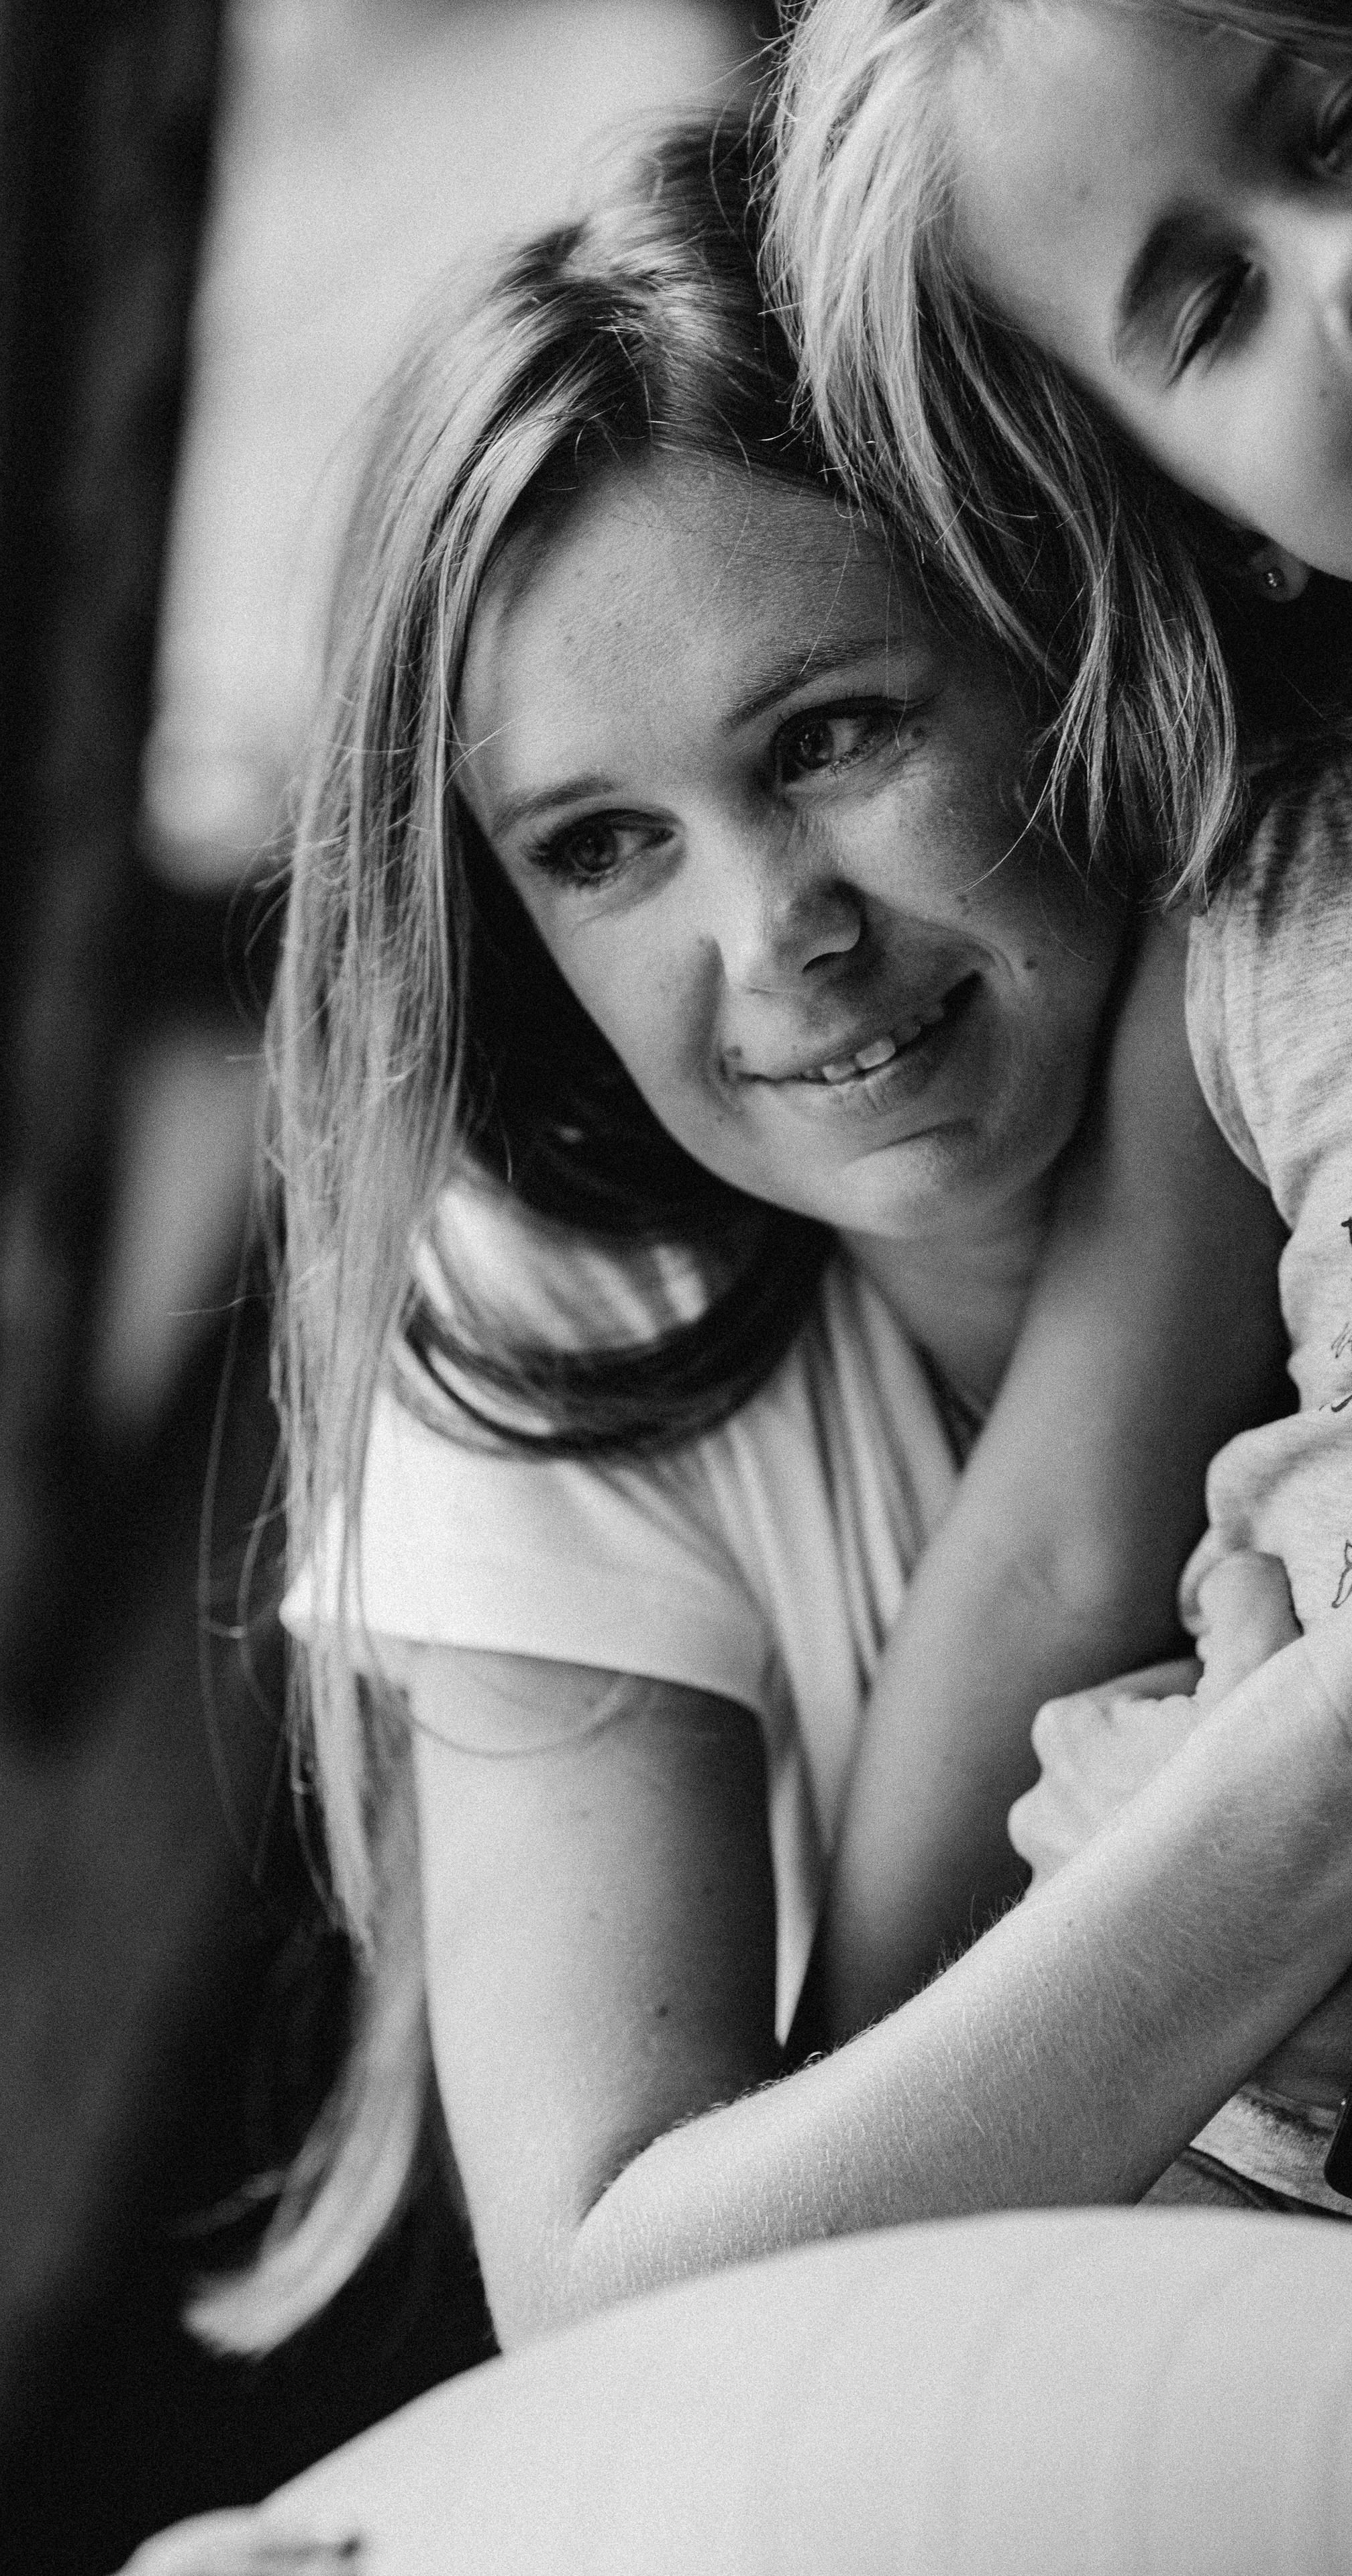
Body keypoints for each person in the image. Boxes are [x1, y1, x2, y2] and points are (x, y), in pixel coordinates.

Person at [187, 119, 1352, 2361]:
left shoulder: (1294, 969)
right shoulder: (550, 1292)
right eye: (605, 846)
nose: (776, 936)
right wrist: (1286, 1789)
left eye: (833, 737)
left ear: (1057, 629)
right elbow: (616, 2305)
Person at [769, 0, 1352, 2200]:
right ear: (1209, 515)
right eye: (1209, 309)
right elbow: (1055, 1546)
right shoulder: (1271, 897)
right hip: (1243, 2091)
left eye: (1342, 122)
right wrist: (837, 2080)